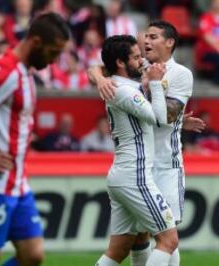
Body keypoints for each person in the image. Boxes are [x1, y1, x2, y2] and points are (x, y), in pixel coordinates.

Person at [0, 12, 70, 266]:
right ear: (36, 42)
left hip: (17, 181)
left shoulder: (24, 72)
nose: (53, 60)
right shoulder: (7, 72)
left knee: (33, 254)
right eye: (53, 52)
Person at [88, 21, 201, 266]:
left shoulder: (180, 73)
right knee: (161, 238)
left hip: (164, 165)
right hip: (139, 170)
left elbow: (168, 116)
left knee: (148, 239)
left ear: (169, 42)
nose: (146, 42)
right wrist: (99, 78)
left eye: (153, 36)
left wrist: (179, 121)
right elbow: (99, 65)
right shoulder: (139, 74)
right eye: (144, 38)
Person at [95, 35, 178, 266]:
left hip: (123, 175)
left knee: (119, 250)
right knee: (168, 240)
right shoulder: (122, 90)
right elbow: (159, 118)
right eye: (136, 57)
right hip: (135, 175)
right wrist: (154, 83)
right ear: (121, 63)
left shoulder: (120, 85)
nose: (142, 61)